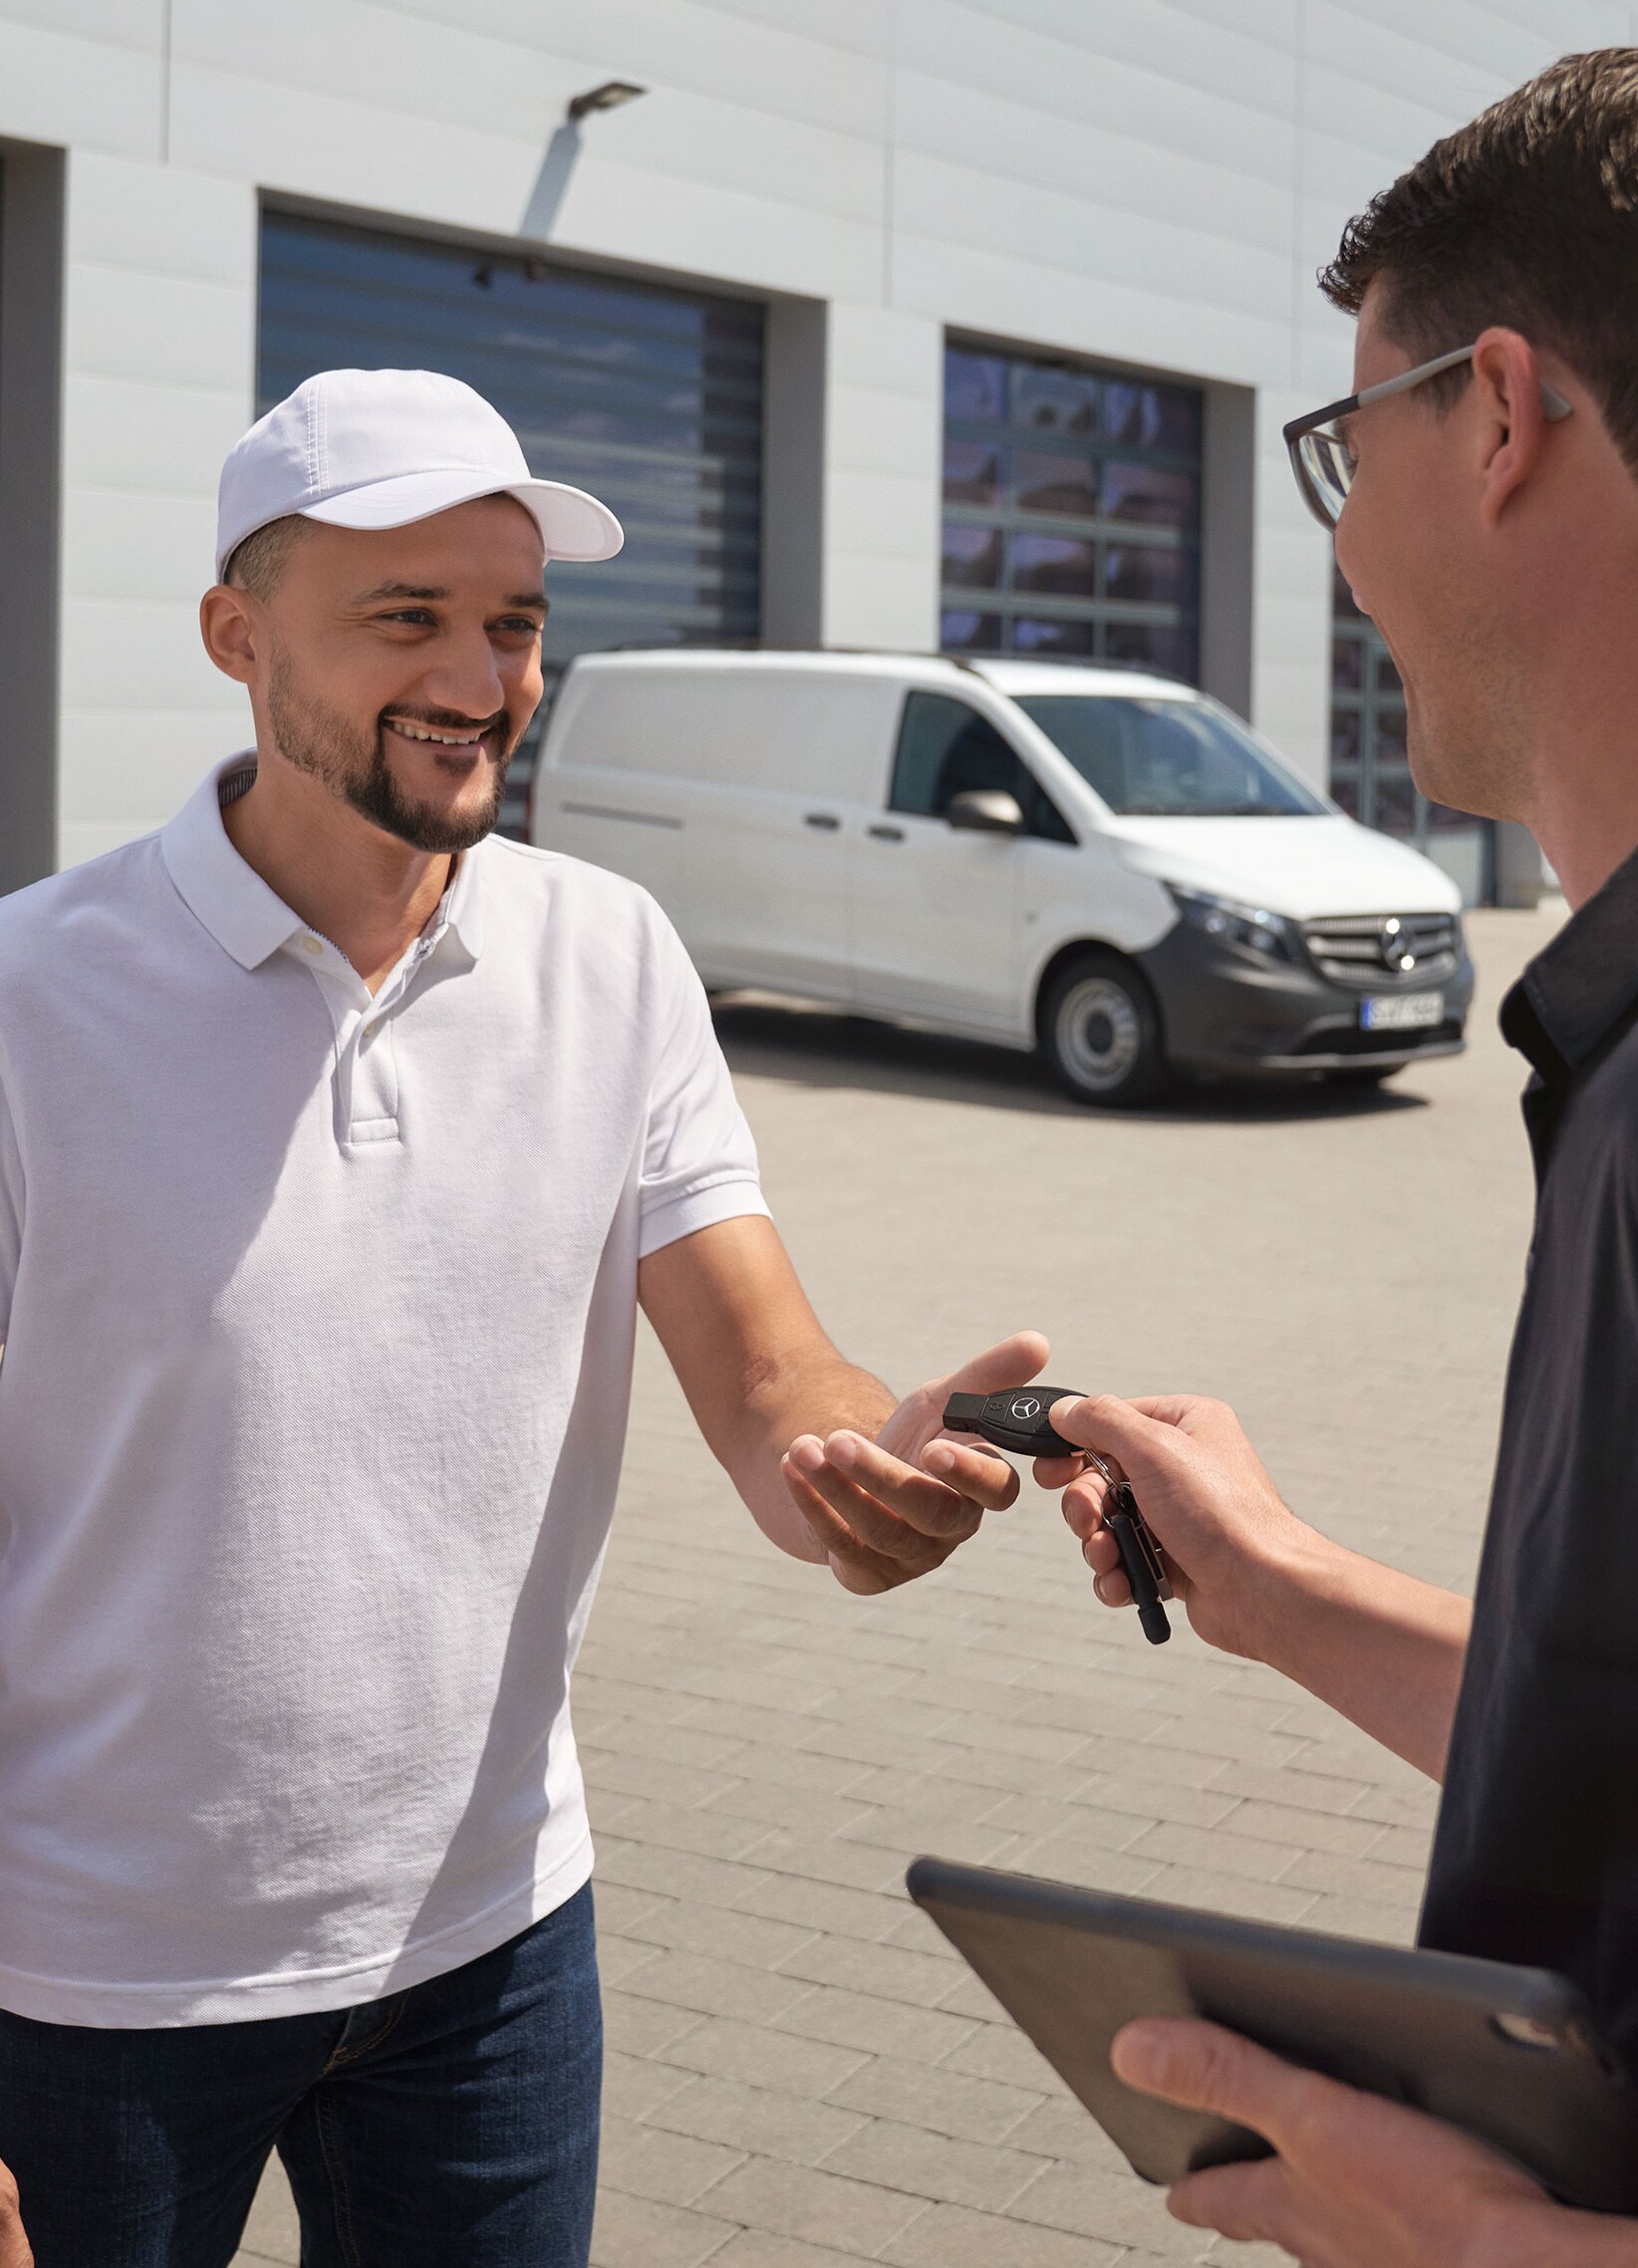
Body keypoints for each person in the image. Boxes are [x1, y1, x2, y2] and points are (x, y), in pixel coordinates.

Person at [1041, 50, 1638, 2262]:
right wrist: (1283, 1590)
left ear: (1495, 414)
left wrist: (1515, 2254)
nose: (1341, 547)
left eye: (1339, 447)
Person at [0, 367, 1040, 2268]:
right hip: (85, 1987)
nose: (477, 677)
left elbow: (764, 1363)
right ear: (239, 638)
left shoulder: (609, 951)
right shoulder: (28, 1003)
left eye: (514, 623)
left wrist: (859, 1463)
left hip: (491, 1952)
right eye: (407, 617)